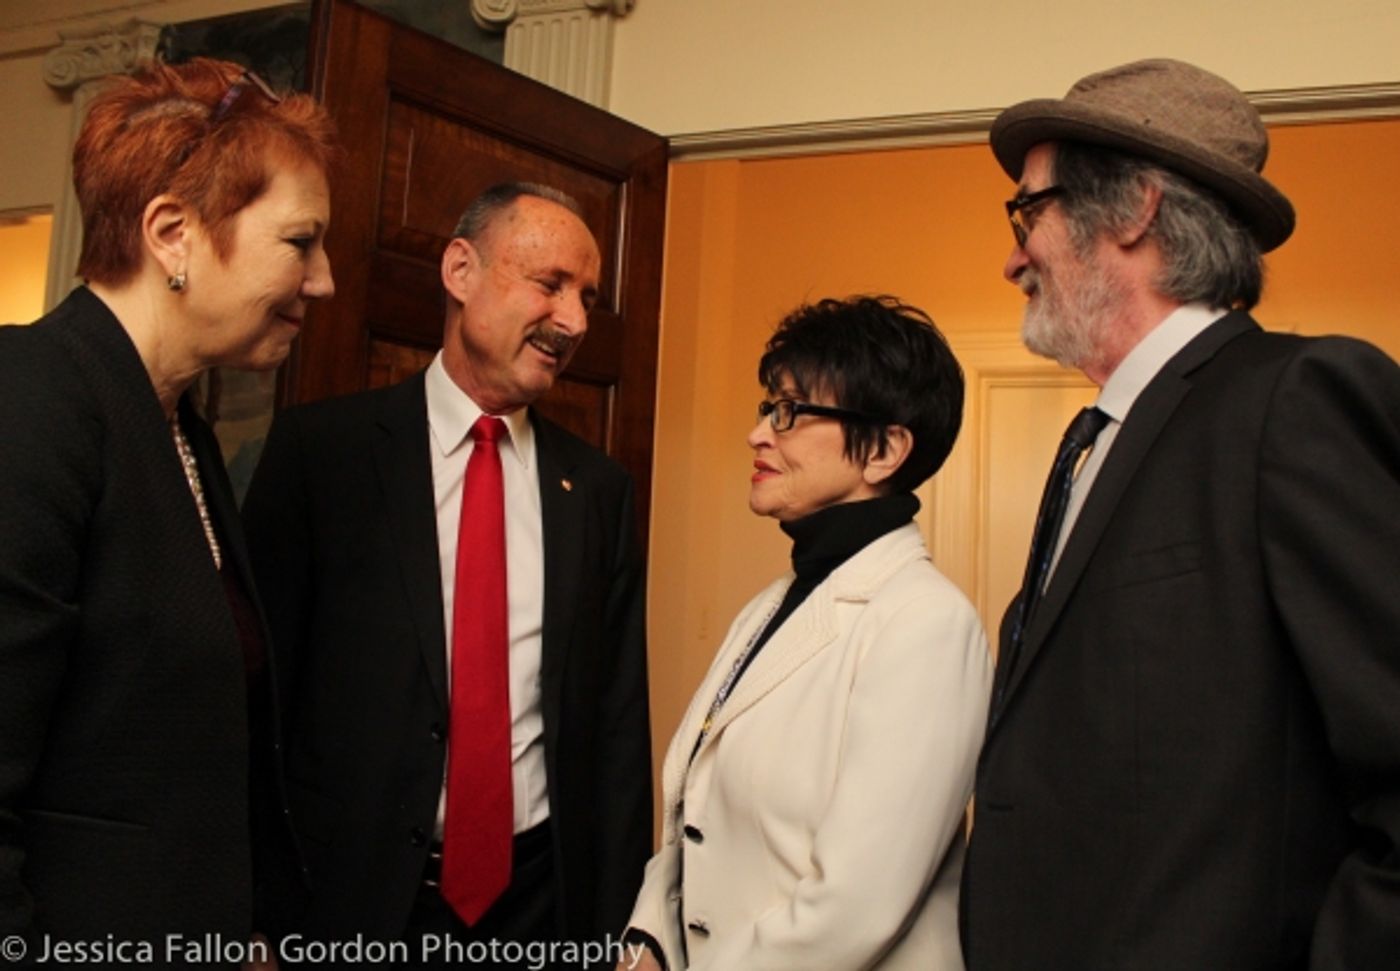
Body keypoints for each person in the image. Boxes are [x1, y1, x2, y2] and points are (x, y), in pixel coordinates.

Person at [960, 58, 1400, 970]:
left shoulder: (1298, 398)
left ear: (1132, 212)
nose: (1011, 255)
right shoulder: (1095, 441)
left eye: (1026, 210)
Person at [241, 182, 652, 963]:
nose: (573, 321)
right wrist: (260, 911)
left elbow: (616, 726)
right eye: (550, 284)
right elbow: (256, 703)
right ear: (461, 270)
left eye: (587, 297)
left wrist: (619, 927)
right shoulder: (320, 457)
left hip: (539, 906)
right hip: (349, 902)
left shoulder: (597, 490)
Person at [0, 59, 335, 955]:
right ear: (172, 232)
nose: (324, 280)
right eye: (300, 242)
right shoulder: (33, 399)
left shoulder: (179, 425)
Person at [624, 296, 991, 970]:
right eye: (768, 407)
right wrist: (648, 938)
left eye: (789, 412)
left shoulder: (928, 623)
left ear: (883, 449)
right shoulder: (774, 603)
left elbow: (855, 908)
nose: (759, 433)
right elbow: (692, 816)